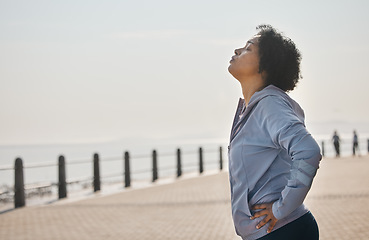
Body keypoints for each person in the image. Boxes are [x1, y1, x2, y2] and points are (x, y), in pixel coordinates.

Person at [227, 24, 321, 240]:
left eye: (248, 48)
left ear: (265, 66)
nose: (237, 51)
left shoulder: (270, 105)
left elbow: (308, 151)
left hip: (282, 231)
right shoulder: (253, 109)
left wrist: (280, 208)